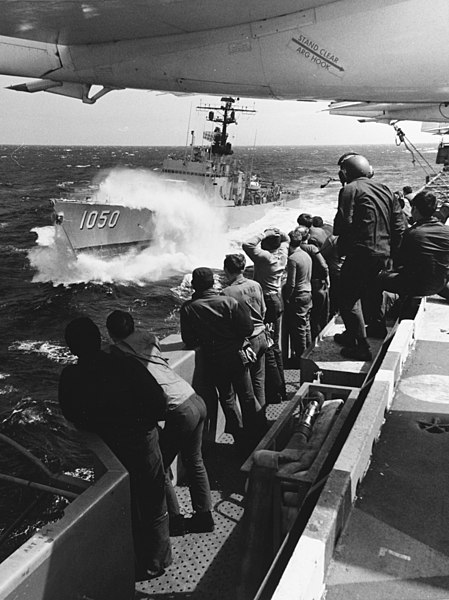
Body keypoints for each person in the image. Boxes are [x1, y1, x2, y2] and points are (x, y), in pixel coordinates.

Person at [58, 317, 171, 581]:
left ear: (72, 348)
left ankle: (134, 561)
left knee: (128, 505)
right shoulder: (126, 364)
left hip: (111, 446)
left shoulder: (72, 376)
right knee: (153, 499)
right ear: (99, 340)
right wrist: (144, 425)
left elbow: (72, 412)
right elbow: (158, 400)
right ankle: (157, 561)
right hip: (142, 440)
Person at [105, 310, 213, 536]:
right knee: (194, 460)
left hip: (179, 409)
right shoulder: (148, 337)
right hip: (193, 397)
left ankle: (175, 521)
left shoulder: (117, 352)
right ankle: (204, 517)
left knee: (160, 466)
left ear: (110, 333)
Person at [180, 267, 263, 457]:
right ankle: (256, 437)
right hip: (236, 358)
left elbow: (189, 339)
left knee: (227, 399)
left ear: (194, 285)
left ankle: (240, 440)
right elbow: (248, 329)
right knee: (247, 396)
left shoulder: (188, 308)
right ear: (213, 283)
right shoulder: (230, 302)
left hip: (214, 361)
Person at [333, 153, 405, 360]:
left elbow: (342, 225)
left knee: (347, 297)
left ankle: (360, 346)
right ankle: (376, 327)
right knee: (373, 289)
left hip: (362, 252)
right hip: (384, 253)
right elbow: (399, 226)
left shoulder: (349, 189)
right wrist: (394, 254)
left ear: (345, 173)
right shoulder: (385, 189)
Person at [377, 190, 449, 315]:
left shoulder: (412, 234)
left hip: (418, 286)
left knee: (376, 279)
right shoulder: (446, 231)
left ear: (415, 209)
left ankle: (377, 324)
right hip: (440, 283)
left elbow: (399, 263)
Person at [242, 229, 289, 401]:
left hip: (268, 301)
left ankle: (274, 393)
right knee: (275, 346)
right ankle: (281, 388)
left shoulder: (265, 258)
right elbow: (287, 238)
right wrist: (277, 233)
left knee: (268, 346)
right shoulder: (283, 253)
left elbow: (247, 244)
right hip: (278, 298)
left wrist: (265, 232)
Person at [222, 253, 268, 411]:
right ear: (243, 267)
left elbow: (227, 324)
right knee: (259, 382)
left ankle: (253, 426)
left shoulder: (227, 293)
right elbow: (263, 311)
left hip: (247, 343)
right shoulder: (256, 285)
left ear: (226, 270)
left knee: (245, 390)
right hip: (262, 337)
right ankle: (262, 418)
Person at [283, 228, 313, 363]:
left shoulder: (292, 259)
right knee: (306, 326)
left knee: (299, 330)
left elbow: (291, 284)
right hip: (308, 293)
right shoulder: (306, 255)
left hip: (299, 296)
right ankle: (308, 354)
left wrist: (286, 297)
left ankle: (300, 359)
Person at [296, 226, 330, 339]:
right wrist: (327, 278)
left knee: (310, 318)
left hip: (305, 285)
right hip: (317, 284)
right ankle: (319, 338)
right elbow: (323, 265)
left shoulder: (294, 249)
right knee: (320, 315)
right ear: (308, 236)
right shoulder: (312, 248)